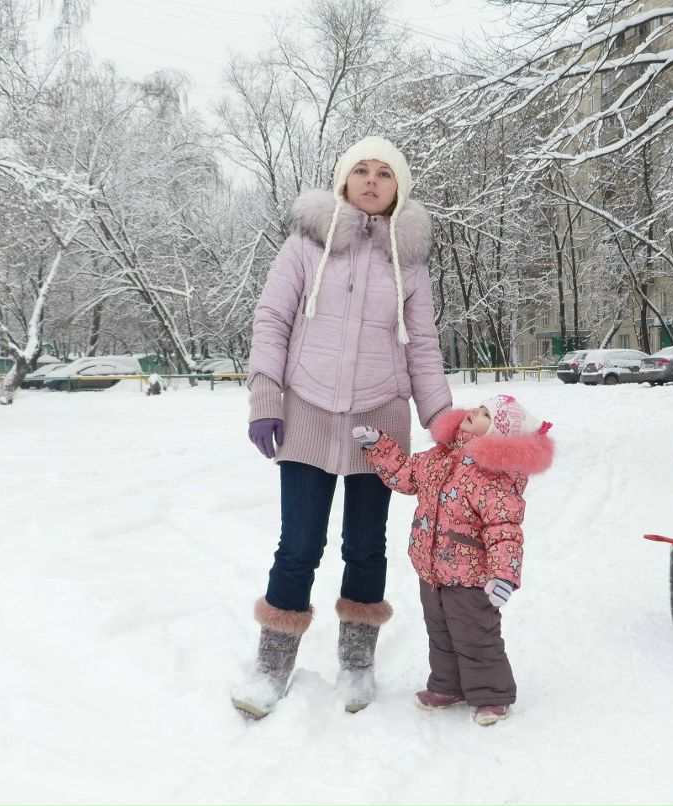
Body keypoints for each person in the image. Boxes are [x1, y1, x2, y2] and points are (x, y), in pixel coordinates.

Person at [231, 136, 451, 719]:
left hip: (378, 419)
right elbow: (272, 318)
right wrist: (264, 398)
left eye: (385, 173)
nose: (373, 180)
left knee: (365, 545)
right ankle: (272, 667)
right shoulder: (305, 247)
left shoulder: (411, 263)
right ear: (344, 180)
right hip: (306, 411)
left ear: (398, 187)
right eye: (362, 170)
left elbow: (423, 346)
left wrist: (442, 418)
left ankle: (356, 662)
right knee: (298, 544)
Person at [351, 394, 554, 725]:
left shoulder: (495, 478)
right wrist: (379, 447)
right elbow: (406, 473)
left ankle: (492, 694)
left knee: (475, 633)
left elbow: (505, 531)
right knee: (440, 631)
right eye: (479, 405)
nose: (475, 410)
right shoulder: (439, 456)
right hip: (431, 567)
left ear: (499, 433)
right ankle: (448, 686)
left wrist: (504, 575)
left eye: (486, 413)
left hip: (471, 575)